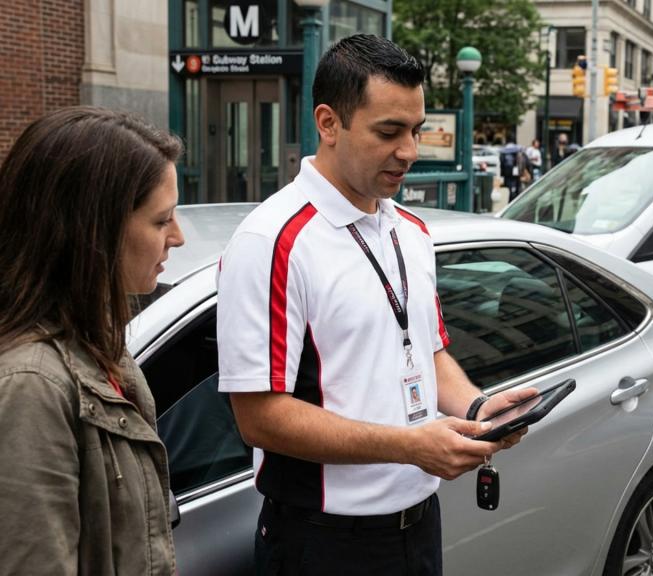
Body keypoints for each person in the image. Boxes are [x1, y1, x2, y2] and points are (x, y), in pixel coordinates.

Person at [216, 34, 535, 576]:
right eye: (389, 132)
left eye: (416, 129)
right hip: (322, 544)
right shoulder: (271, 241)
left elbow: (426, 352)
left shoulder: (408, 229)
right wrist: (408, 446)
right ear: (329, 122)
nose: (409, 150)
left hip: (417, 525)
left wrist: (479, 411)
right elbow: (259, 419)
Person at [0, 107, 185, 574]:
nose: (178, 237)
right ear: (93, 230)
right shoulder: (31, 385)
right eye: (162, 221)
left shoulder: (99, 344)